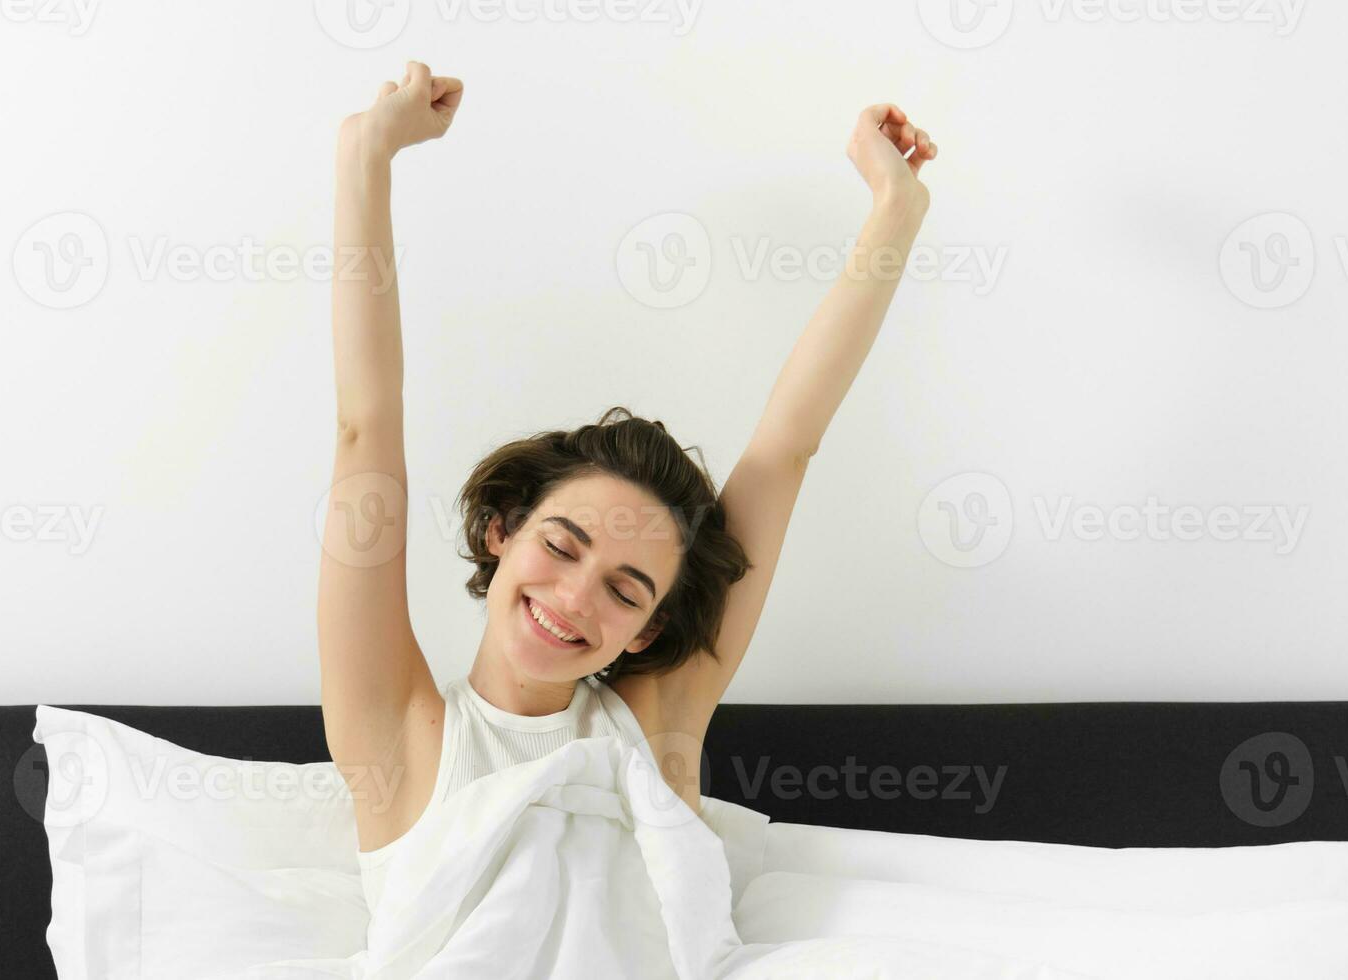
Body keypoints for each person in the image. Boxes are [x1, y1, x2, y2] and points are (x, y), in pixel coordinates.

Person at [316, 60, 937, 904]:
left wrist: (895, 212)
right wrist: (368, 156)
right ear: (501, 532)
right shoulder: (402, 734)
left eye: (625, 589)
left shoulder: (654, 727)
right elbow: (366, 426)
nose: (574, 597)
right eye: (561, 545)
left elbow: (786, 447)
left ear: (645, 633)